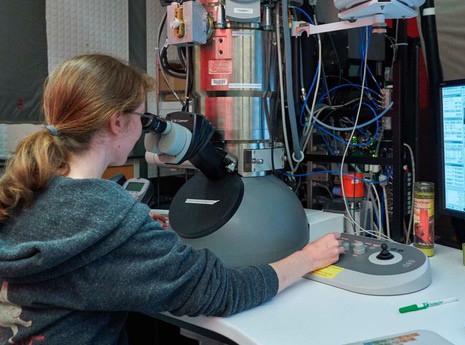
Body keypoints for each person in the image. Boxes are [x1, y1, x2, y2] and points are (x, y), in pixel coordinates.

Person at [0, 54, 344, 345]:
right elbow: (224, 292)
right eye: (142, 118)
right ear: (117, 122)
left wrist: (132, 236)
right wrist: (308, 258)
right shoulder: (107, 222)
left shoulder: (25, 190)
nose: (145, 128)